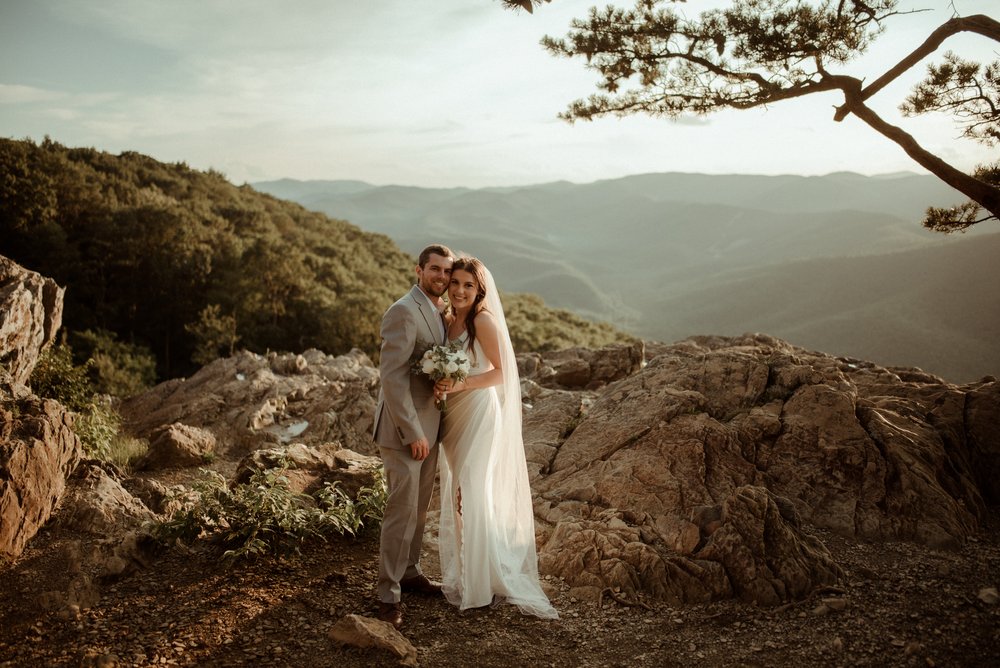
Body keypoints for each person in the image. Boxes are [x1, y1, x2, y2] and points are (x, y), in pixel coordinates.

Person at [433, 256, 558, 619]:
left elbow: (504, 373)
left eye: (467, 285)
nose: (459, 290)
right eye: (455, 282)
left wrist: (461, 383)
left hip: (478, 413)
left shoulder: (482, 321)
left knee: (471, 492)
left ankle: (481, 587)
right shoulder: (448, 319)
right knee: (460, 493)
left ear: (479, 290)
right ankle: (471, 574)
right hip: (454, 419)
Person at [372, 243, 454, 629]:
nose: (440, 276)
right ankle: (388, 594)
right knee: (400, 513)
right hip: (406, 432)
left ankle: (409, 571)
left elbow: (424, 368)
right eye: (434, 269)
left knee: (419, 511)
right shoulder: (404, 311)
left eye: (445, 271)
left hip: (430, 426)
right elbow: (391, 378)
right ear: (418, 270)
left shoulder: (439, 311)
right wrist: (412, 432)